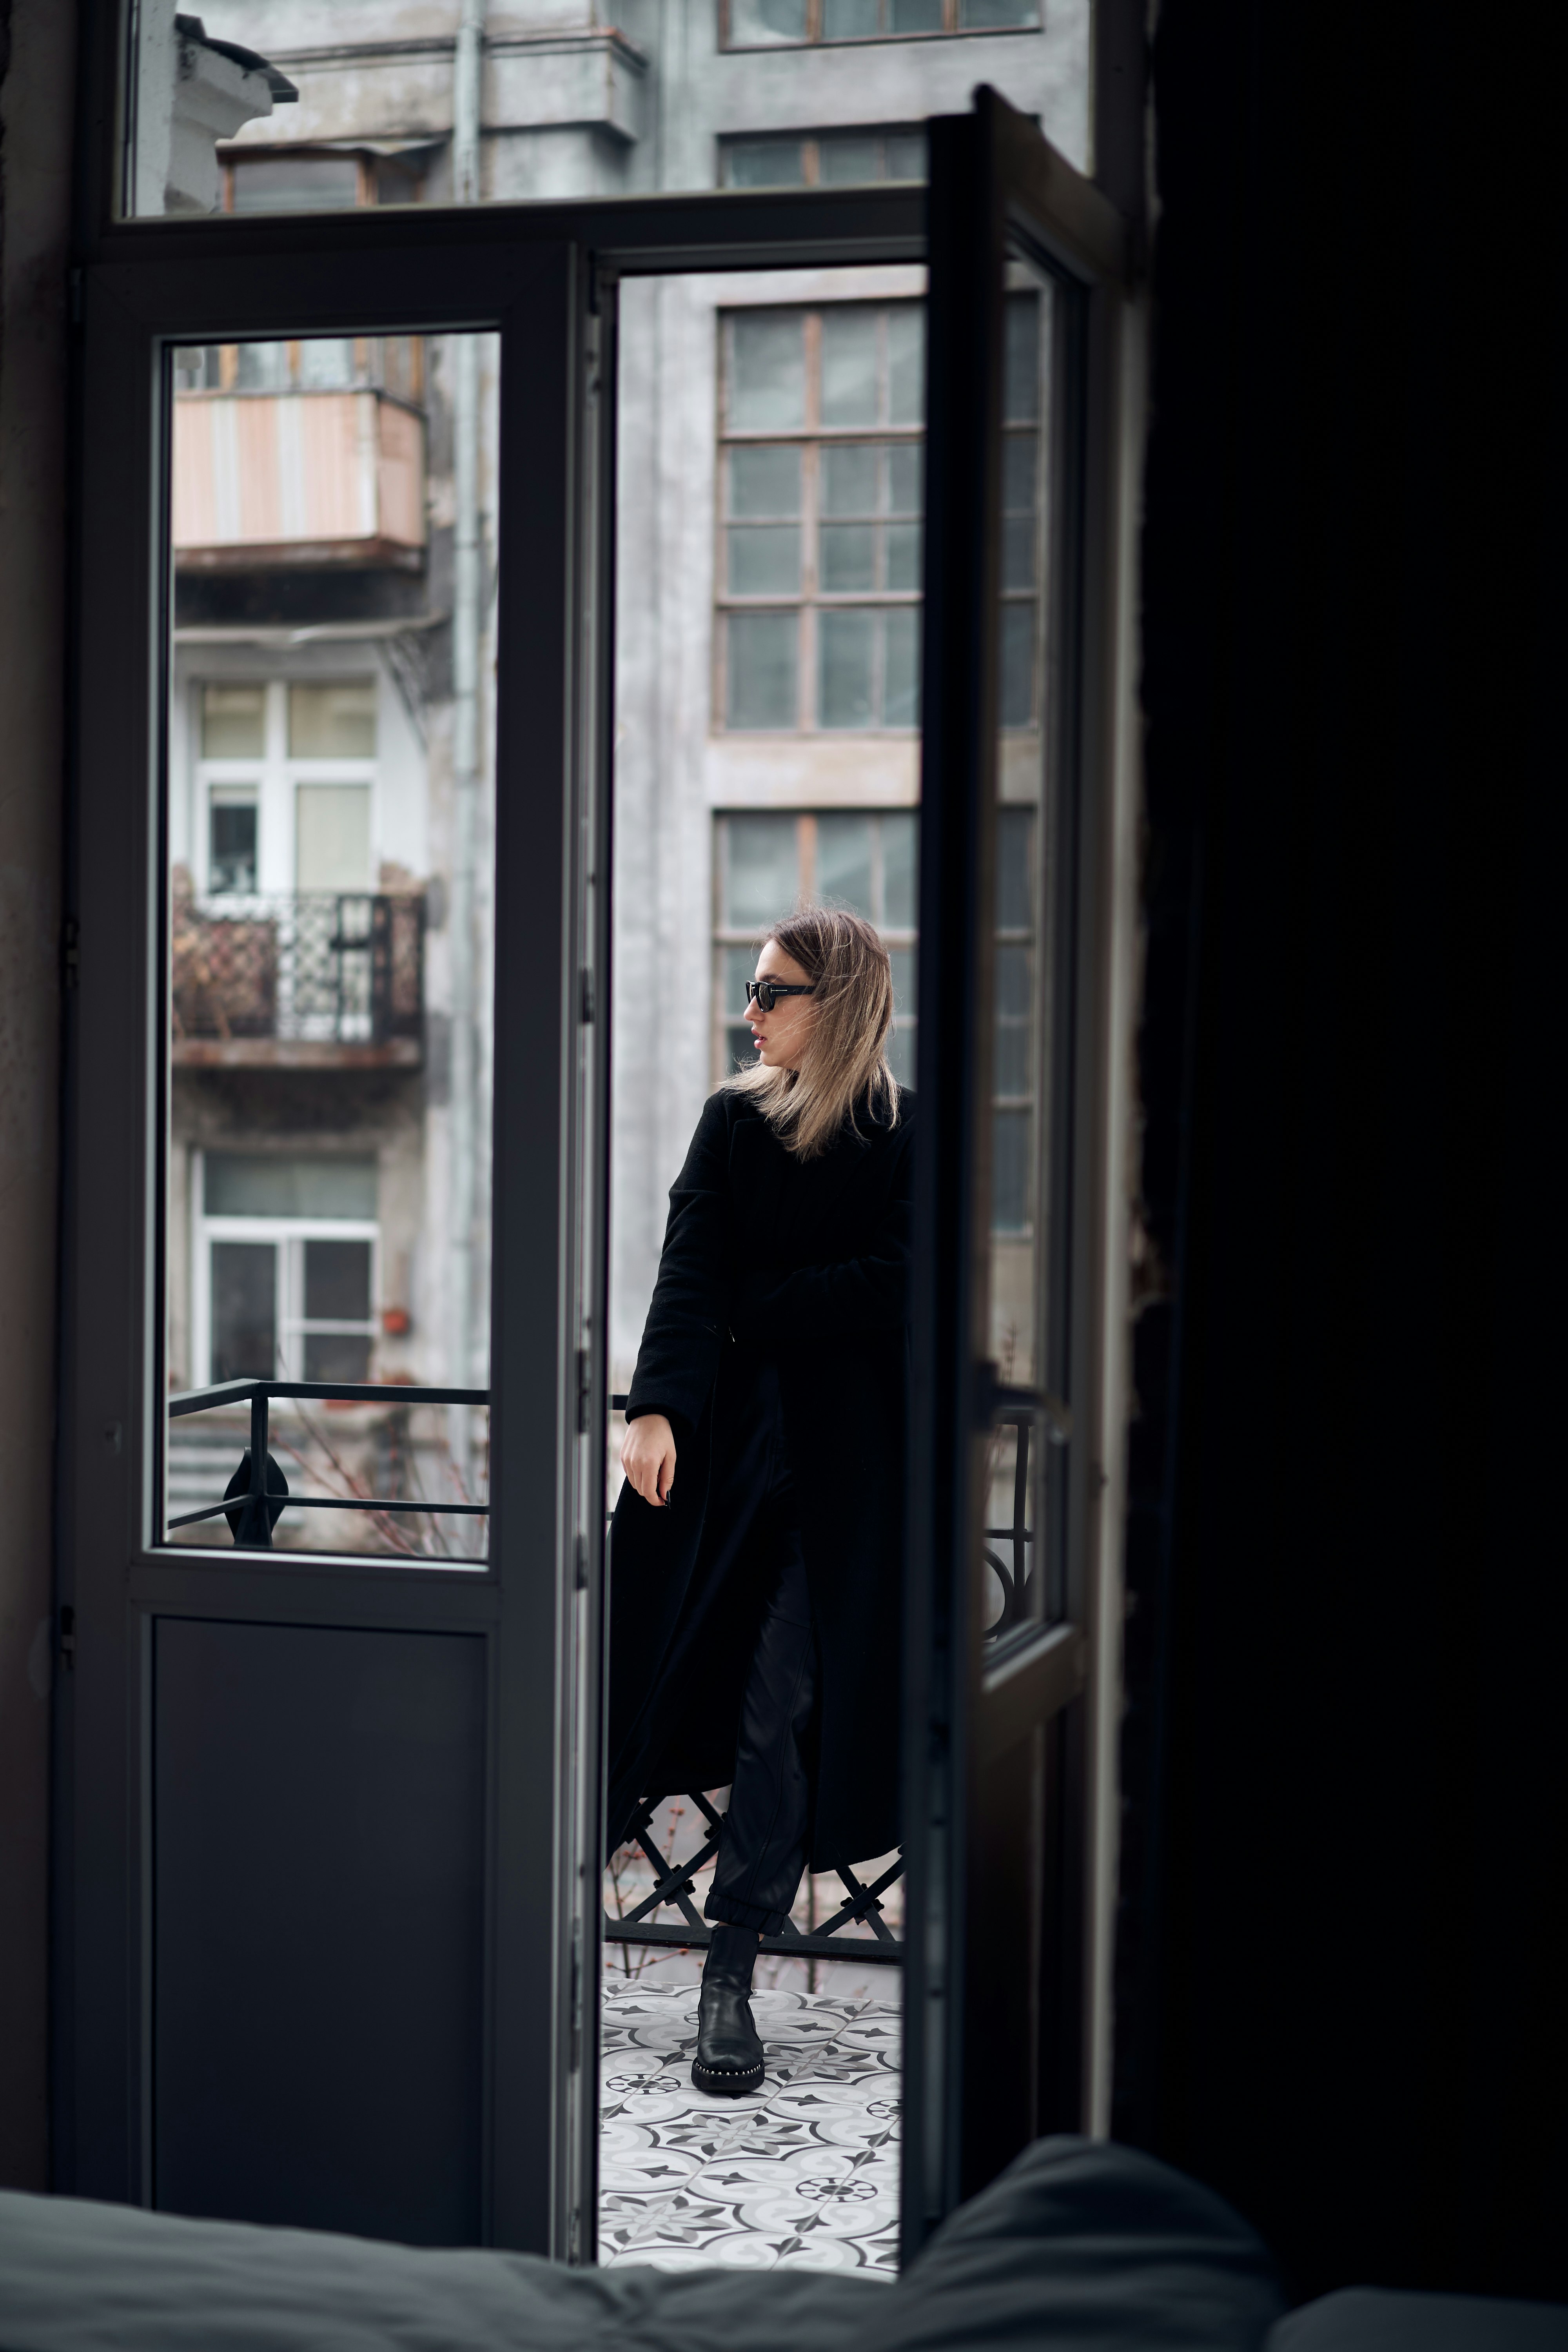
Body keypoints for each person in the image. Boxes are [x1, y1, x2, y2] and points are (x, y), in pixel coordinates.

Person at [607, 906, 914, 2096]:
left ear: (834, 1005)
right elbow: (693, 1269)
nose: (751, 1011)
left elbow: (897, 1284)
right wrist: (655, 1408)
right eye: (750, 986)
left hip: (845, 1482)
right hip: (719, 1463)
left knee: (777, 1708)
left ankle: (727, 1973)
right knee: (635, 1681)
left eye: (772, 990)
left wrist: (760, 1303)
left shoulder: (902, 1131)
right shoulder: (730, 1122)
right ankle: (538, 1931)